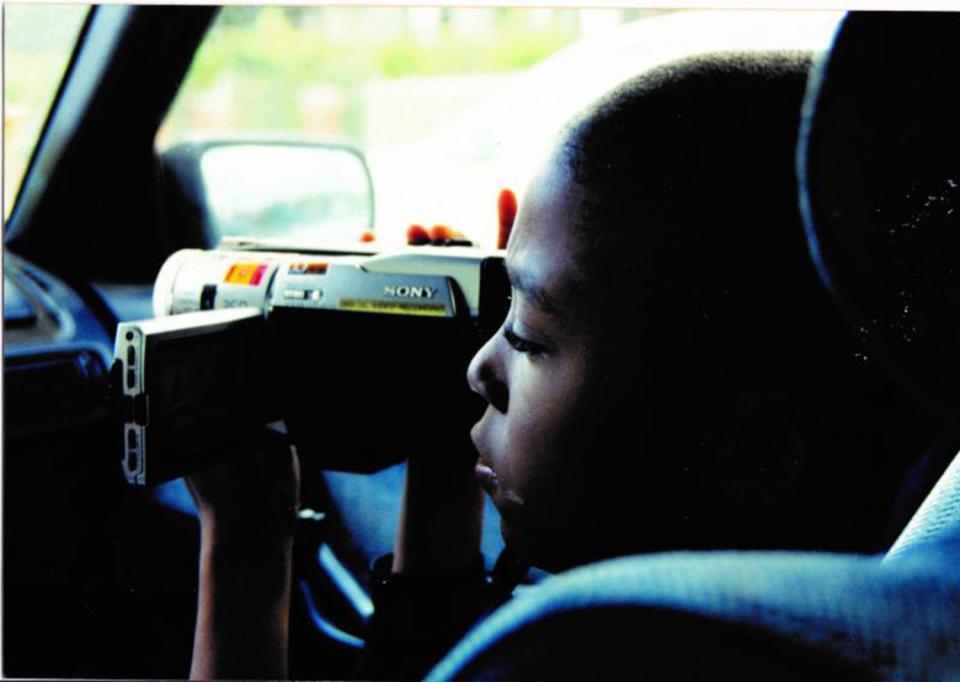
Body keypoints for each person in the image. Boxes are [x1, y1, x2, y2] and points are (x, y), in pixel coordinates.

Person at [186, 50, 933, 680]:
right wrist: (451, 456)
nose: (478, 369)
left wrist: (247, 548)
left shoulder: (587, 656)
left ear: (755, 454)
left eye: (529, 338)